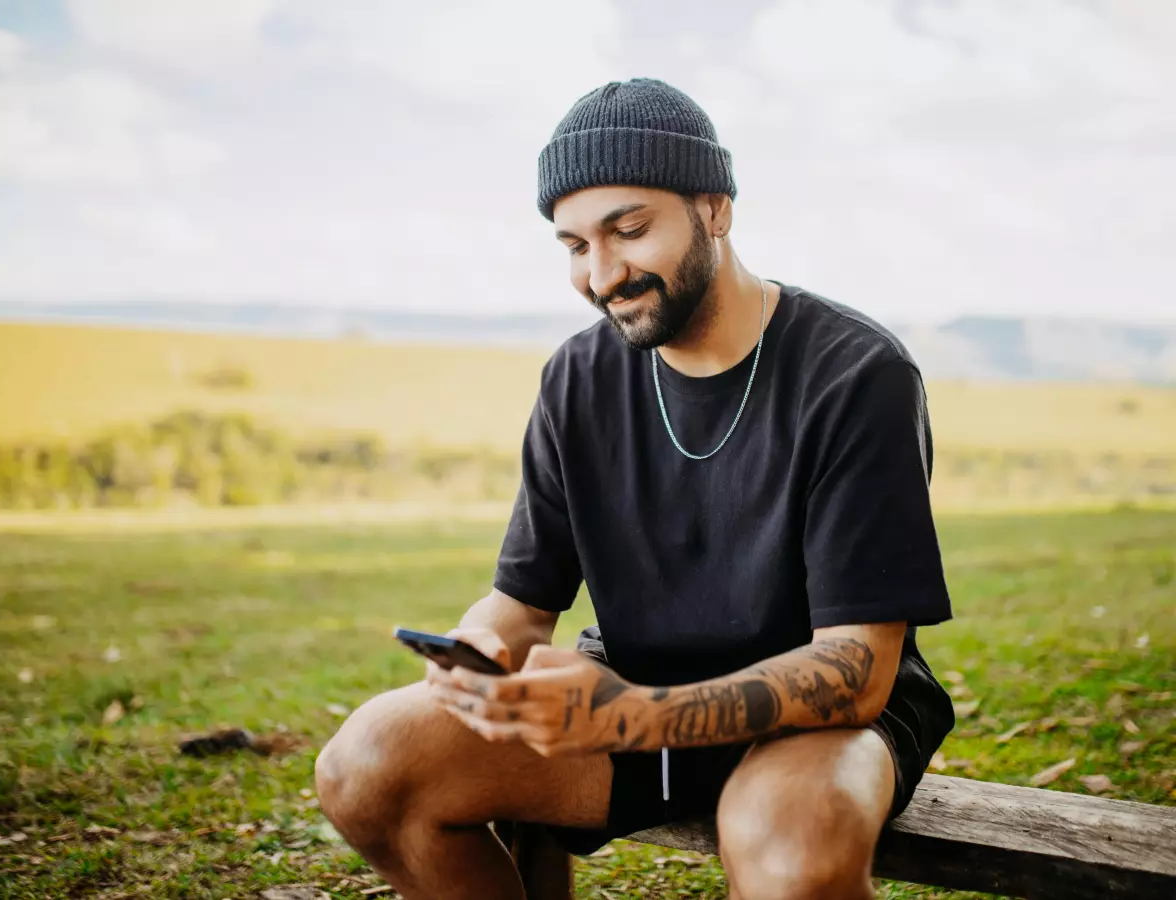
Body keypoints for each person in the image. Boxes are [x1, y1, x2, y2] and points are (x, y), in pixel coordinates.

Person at [315, 77, 955, 900]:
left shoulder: (856, 374)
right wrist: (475, 659)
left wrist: (635, 714)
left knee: (789, 856)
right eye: (575, 245)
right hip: (629, 696)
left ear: (715, 208)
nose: (603, 274)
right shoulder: (577, 379)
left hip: (819, 721)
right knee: (369, 765)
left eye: (629, 229)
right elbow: (519, 604)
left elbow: (857, 668)